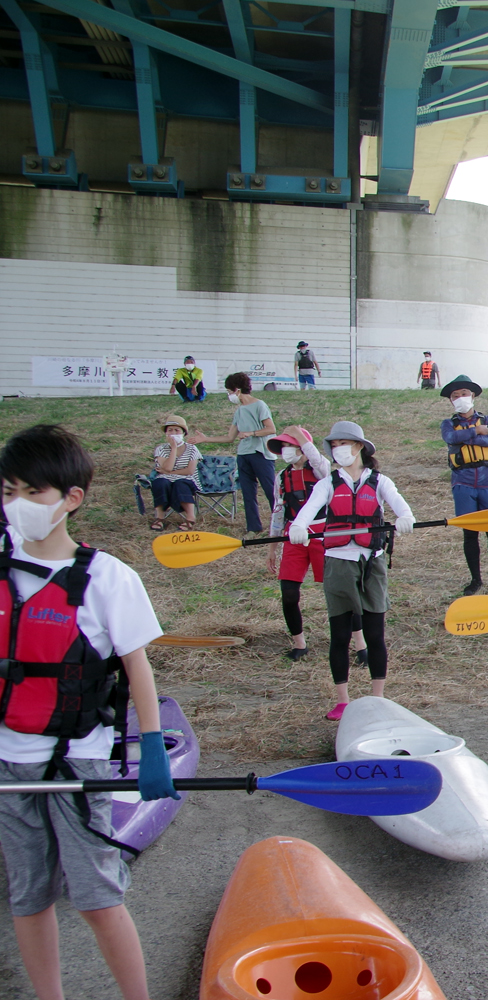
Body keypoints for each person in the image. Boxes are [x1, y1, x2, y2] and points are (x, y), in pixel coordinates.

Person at [0, 423, 178, 1000]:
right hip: (8, 764)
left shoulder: (107, 578)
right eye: (7, 492)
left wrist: (152, 747)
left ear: (71, 499)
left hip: (81, 764)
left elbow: (138, 669)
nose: (16, 506)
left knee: (98, 896)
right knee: (28, 898)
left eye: (32, 493)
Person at [287, 422, 413, 721]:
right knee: (340, 635)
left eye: (344, 443)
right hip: (338, 562)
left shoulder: (380, 481)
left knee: (374, 633)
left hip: (372, 561)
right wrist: (299, 525)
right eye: (334, 444)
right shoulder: (328, 483)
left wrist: (406, 517)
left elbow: (399, 505)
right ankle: (342, 700)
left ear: (358, 447)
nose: (338, 449)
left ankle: (378, 697)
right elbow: (310, 507)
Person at [266, 427, 368, 665]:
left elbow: (318, 460)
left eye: (289, 446)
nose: (285, 452)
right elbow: (277, 511)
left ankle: (360, 644)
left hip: (324, 535)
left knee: (342, 592)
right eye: (283, 447)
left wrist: (303, 439)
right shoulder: (282, 476)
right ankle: (299, 644)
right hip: (294, 537)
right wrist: (272, 548)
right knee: (289, 593)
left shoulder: (322, 472)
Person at [439, 374, 488, 597]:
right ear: (451, 401)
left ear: (472, 396)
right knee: (470, 534)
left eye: (464, 394)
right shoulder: (448, 424)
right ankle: (475, 580)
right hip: (462, 484)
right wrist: (475, 432)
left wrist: (465, 436)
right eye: (455, 396)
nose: (460, 398)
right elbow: (450, 438)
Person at [189, 373, 276, 535]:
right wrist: (205, 439)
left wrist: (251, 433)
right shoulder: (239, 411)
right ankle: (253, 528)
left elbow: (271, 429)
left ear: (237, 390)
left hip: (261, 454)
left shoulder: (259, 405)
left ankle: (281, 526)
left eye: (229, 391)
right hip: (243, 455)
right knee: (248, 493)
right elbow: (230, 437)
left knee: (270, 491)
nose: (229, 395)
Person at [148, 415, 200, 531]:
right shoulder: (160, 449)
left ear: (183, 433)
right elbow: (167, 467)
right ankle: (160, 518)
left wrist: (171, 471)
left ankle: (190, 518)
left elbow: (189, 471)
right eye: (170, 430)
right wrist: (173, 449)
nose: (173, 433)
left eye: (177, 430)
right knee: (160, 483)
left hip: (187, 479)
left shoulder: (192, 449)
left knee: (181, 484)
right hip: (165, 478)